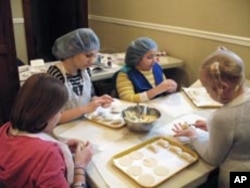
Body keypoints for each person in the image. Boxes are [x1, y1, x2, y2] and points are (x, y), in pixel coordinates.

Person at [172, 47, 250, 188]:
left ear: (223, 87)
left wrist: (193, 136)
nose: (207, 93)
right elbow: (242, 130)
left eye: (207, 89)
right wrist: (213, 128)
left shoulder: (223, 117)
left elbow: (213, 158)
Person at [0, 73, 92, 188]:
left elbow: (26, 153)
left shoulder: (5, 130)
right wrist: (80, 166)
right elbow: (40, 157)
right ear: (47, 114)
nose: (61, 114)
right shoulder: (48, 155)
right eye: (59, 111)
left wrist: (61, 148)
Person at [47, 28, 113, 124]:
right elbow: (52, 118)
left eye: (95, 56)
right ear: (71, 52)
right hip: (62, 129)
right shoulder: (56, 75)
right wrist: (85, 109)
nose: (92, 61)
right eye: (88, 56)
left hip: (81, 123)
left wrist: (98, 100)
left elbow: (89, 97)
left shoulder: (84, 71)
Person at [115, 37, 177, 102]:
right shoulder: (125, 75)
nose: (154, 60)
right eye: (149, 57)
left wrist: (170, 89)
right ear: (137, 58)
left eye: (155, 55)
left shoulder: (156, 67)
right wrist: (156, 90)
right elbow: (127, 99)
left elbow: (163, 90)